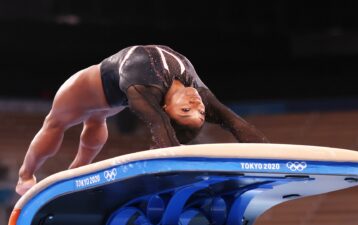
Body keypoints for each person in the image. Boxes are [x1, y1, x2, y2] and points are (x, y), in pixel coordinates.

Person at [15, 45, 268, 195]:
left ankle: (74, 172)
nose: (197, 106)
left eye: (187, 113)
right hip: (85, 87)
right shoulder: (195, 90)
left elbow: (161, 132)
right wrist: (267, 152)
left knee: (95, 121)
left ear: (165, 108)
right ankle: (25, 176)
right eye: (200, 113)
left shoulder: (143, 89)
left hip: (101, 95)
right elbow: (233, 120)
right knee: (55, 123)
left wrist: (270, 161)